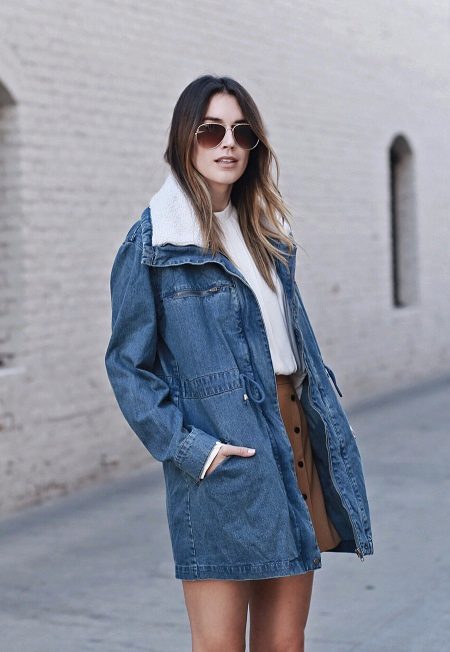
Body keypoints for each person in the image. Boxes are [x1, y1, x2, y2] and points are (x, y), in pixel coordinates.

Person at [104, 74, 373, 652]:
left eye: (241, 132)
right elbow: (128, 367)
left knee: (284, 642)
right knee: (219, 645)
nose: (228, 143)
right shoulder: (155, 243)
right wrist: (191, 449)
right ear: (184, 139)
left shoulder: (269, 235)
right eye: (211, 131)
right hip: (222, 451)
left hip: (292, 435)